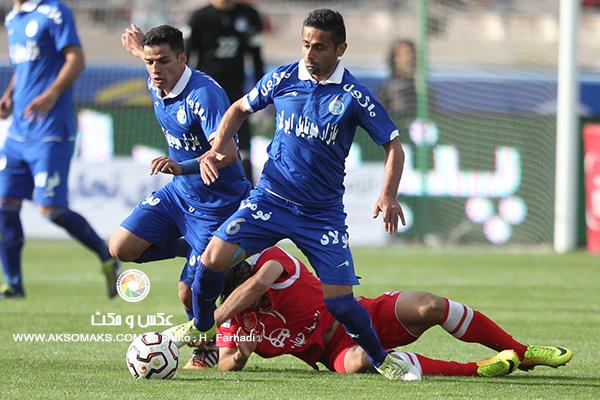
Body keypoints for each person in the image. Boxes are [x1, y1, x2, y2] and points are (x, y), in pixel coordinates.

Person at [165, 9, 419, 381]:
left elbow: (393, 145)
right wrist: (218, 146)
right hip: (269, 199)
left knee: (342, 303)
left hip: (321, 214)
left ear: (340, 48)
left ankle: (381, 358)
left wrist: (388, 194)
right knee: (212, 258)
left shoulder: (354, 95)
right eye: (305, 45)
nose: (310, 54)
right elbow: (238, 109)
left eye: (319, 47)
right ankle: (202, 329)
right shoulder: (284, 78)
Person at [194, 246, 573, 377]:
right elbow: (227, 360)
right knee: (360, 361)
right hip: (334, 351)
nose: (238, 266)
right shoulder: (236, 320)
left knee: (431, 305)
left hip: (362, 314)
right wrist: (237, 353)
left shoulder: (273, 263)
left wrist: (211, 322)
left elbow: (259, 284)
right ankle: (478, 370)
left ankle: (523, 352)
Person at [113, 25, 251, 320]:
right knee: (121, 248)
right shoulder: (158, 80)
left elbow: (227, 154)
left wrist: (183, 166)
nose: (154, 69)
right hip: (179, 195)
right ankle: (190, 247)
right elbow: (154, 60)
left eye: (163, 61)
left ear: (183, 59)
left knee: (188, 292)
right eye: (150, 62)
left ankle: (206, 345)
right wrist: (139, 51)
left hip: (216, 204)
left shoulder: (205, 95)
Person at [0, 0, 120, 299]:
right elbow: (24, 66)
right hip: (18, 132)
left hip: (51, 132)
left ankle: (106, 256)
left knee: (51, 210)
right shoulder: (14, 19)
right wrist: (10, 94)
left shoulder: (54, 11)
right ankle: (13, 284)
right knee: (4, 205)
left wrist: (52, 93)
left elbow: (76, 59)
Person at [184, 0, 265, 182]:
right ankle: (200, 188)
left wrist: (264, 96)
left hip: (237, 94)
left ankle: (247, 191)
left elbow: (257, 57)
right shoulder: (199, 17)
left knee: (242, 146)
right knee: (206, 146)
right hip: (205, 96)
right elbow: (185, 56)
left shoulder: (249, 15)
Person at [377, 39, 417, 117]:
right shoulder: (387, 89)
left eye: (413, 54)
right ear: (395, 59)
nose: (410, 58)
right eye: (406, 54)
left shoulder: (422, 88)